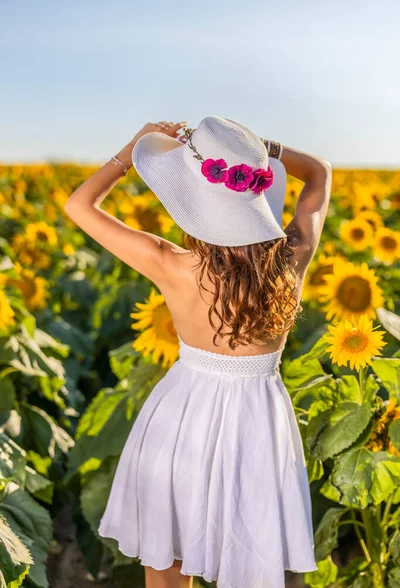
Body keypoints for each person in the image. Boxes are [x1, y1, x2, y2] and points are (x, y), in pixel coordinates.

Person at [64, 115, 332, 588]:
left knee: (165, 563)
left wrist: (132, 150)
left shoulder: (170, 264)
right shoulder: (294, 257)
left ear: (194, 201)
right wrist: (262, 147)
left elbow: (80, 205)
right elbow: (321, 172)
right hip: (258, 423)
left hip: (180, 417)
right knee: (252, 557)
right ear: (257, 190)